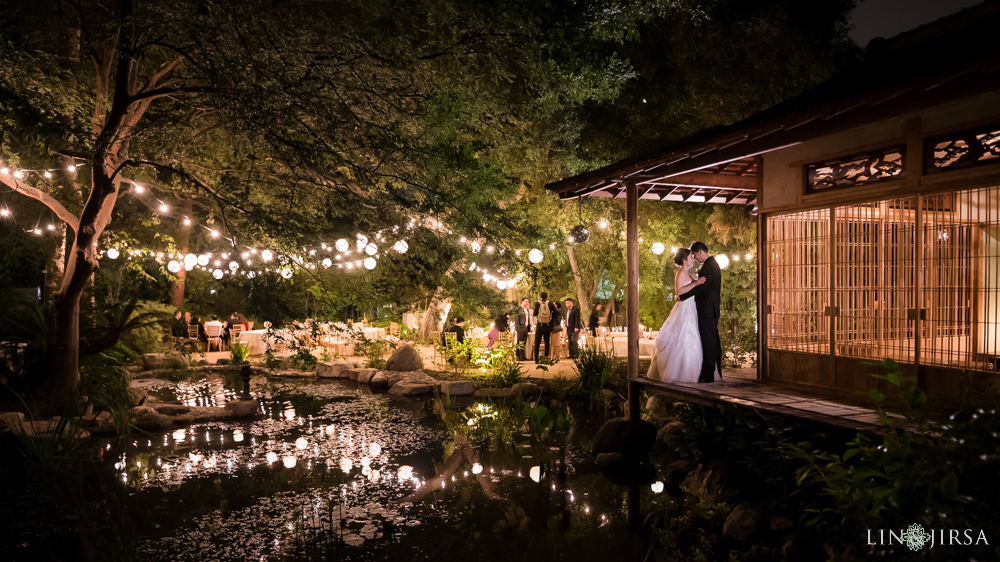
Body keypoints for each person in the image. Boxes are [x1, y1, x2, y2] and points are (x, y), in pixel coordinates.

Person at [647, 247, 707, 383]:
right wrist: (696, 282)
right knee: (683, 338)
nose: (693, 259)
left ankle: (691, 371)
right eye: (691, 257)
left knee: (691, 338)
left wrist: (696, 279)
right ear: (685, 260)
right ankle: (679, 373)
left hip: (691, 308)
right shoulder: (680, 274)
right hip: (684, 308)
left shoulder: (688, 272)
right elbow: (679, 291)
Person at [679, 241, 723, 383]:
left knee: (709, 342)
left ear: (700, 252)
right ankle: (713, 371)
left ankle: (708, 375)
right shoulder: (710, 265)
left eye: (695, 255)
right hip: (709, 309)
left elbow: (701, 288)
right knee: (712, 341)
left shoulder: (709, 266)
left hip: (708, 309)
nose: (696, 259)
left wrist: (682, 297)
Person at [533, 292, 557, 362]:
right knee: (547, 342)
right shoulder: (550, 303)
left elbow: (535, 313)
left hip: (540, 325)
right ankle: (546, 358)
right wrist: (551, 322)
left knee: (537, 342)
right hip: (547, 325)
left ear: (540, 297)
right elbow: (555, 312)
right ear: (547, 297)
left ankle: (536, 358)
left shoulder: (537, 303)